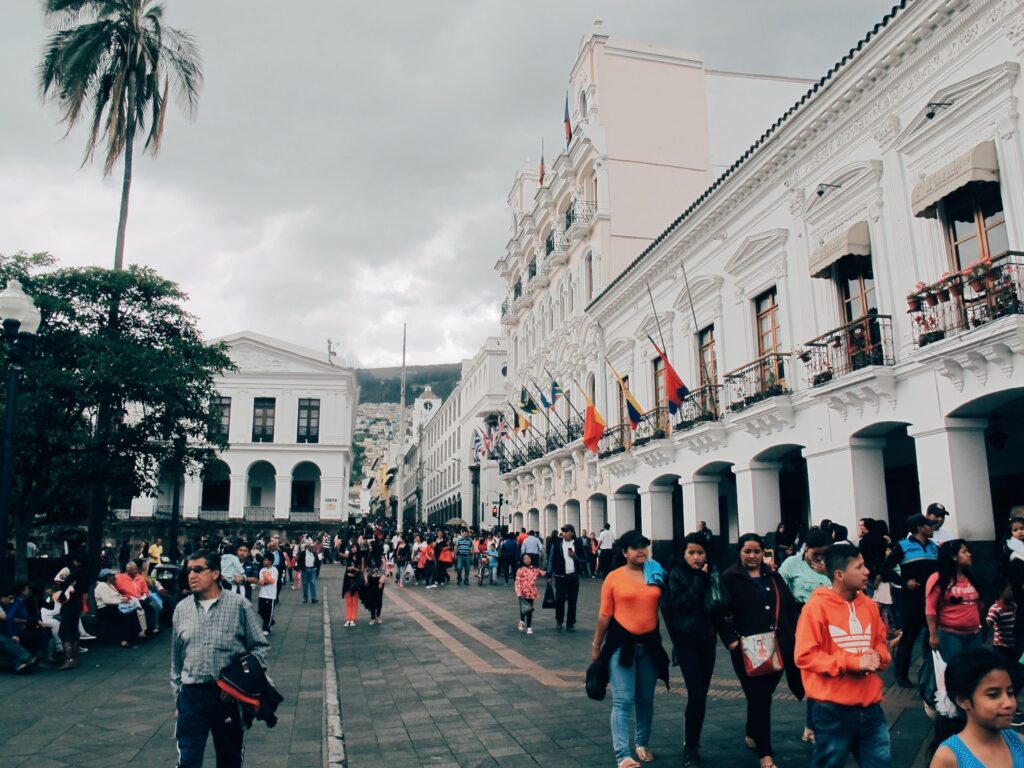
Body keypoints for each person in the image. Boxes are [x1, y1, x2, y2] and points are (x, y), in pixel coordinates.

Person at [795, 544, 892, 768]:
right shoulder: (816, 607)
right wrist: (853, 662)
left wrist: (879, 656)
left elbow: (879, 641)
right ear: (839, 575)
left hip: (871, 709)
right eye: (859, 567)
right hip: (832, 710)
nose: (867, 571)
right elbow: (805, 656)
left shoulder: (868, 604)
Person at [171, 549, 269, 768]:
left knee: (229, 759)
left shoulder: (239, 606)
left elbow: (260, 647)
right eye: (189, 570)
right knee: (187, 760)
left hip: (227, 696)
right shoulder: (181, 609)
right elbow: (176, 659)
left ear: (215, 573)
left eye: (198, 569)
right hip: (192, 695)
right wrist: (178, 697)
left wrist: (239, 683)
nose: (192, 576)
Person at [718, 533, 802, 768]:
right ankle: (766, 754)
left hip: (777, 645)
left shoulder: (772, 575)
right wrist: (731, 639)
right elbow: (718, 611)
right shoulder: (729, 577)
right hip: (747, 648)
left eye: (757, 551)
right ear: (740, 552)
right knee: (759, 697)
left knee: (762, 697)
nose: (753, 556)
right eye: (748, 551)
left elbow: (788, 605)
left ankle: (752, 730)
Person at [591, 530, 669, 768]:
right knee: (623, 700)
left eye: (644, 546)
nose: (641, 551)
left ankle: (642, 743)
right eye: (635, 547)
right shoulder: (614, 577)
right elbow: (605, 614)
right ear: (624, 552)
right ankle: (623, 755)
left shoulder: (655, 573)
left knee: (645, 699)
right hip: (620, 646)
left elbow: (673, 601)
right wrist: (596, 645)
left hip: (650, 646)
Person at [661, 533, 720, 767]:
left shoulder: (713, 572)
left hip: (707, 640)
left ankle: (693, 741)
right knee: (695, 694)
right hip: (686, 642)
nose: (696, 557)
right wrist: (698, 577)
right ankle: (691, 748)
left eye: (700, 552)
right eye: (691, 553)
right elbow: (682, 603)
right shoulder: (677, 574)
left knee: (701, 695)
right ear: (683, 554)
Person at [779, 527, 833, 744]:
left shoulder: (832, 564)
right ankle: (812, 725)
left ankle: (818, 724)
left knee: (827, 676)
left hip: (830, 625)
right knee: (812, 676)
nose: (819, 558)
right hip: (802, 623)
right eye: (815, 553)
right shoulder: (792, 563)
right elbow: (779, 588)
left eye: (824, 553)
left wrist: (828, 573)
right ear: (806, 548)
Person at [930, 649, 1024, 768]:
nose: (1008, 703)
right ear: (963, 701)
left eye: (1010, 693)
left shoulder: (1019, 743)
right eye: (993, 695)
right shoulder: (949, 757)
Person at [881, 513, 939, 688]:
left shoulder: (934, 547)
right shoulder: (903, 546)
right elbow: (885, 569)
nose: (933, 528)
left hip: (932, 599)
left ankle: (932, 675)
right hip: (912, 599)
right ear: (920, 528)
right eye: (929, 525)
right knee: (909, 637)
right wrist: (904, 583)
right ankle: (901, 675)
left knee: (932, 636)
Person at [925, 539, 983, 662]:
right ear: (954, 557)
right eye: (964, 552)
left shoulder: (972, 577)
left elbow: (979, 602)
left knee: (974, 672)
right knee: (956, 672)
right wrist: (933, 635)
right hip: (950, 635)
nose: (969, 554)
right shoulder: (938, 579)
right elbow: (930, 609)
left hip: (974, 634)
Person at [546, 524, 586, 632]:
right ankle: (559, 621)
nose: (564, 533)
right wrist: (549, 574)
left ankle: (570, 623)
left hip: (573, 577)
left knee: (572, 602)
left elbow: (584, 560)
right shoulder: (557, 543)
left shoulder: (577, 543)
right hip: (560, 577)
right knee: (560, 600)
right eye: (563, 531)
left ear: (572, 532)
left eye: (566, 531)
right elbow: (551, 559)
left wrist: (575, 556)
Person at [94, 568, 143, 647]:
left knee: (132, 612)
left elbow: (116, 597)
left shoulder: (109, 585)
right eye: (112, 576)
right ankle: (123, 640)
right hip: (104, 609)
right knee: (123, 617)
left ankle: (138, 633)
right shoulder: (102, 586)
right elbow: (107, 601)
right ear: (108, 577)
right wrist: (121, 601)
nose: (114, 577)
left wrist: (123, 599)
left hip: (113, 607)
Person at [57, 549, 88, 671]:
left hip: (70, 603)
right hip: (78, 602)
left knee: (63, 631)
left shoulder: (77, 572)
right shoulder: (86, 572)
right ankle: (74, 656)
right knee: (74, 629)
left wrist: (63, 577)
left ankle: (69, 659)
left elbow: (64, 584)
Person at [115, 560, 159, 634]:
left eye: (135, 569)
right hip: (129, 600)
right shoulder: (120, 578)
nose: (135, 571)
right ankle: (148, 629)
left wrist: (144, 596)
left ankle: (150, 628)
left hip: (140, 598)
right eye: (132, 570)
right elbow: (115, 590)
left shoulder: (140, 578)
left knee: (149, 606)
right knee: (143, 608)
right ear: (127, 571)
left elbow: (145, 591)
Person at [514, 553, 543, 635]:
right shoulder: (520, 570)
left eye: (529, 558)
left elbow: (542, 573)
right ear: (522, 560)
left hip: (531, 593)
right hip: (522, 594)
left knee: (529, 610)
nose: (527, 560)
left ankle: (529, 627)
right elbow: (517, 582)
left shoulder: (535, 569)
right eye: (525, 558)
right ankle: (522, 621)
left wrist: (549, 572)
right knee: (523, 609)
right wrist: (519, 593)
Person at [361, 542, 386, 625]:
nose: (370, 547)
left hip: (379, 580)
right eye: (369, 546)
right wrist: (365, 578)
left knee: (379, 599)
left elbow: (383, 571)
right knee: (371, 598)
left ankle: (378, 616)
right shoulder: (369, 556)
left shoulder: (381, 557)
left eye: (371, 546)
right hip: (371, 579)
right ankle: (372, 617)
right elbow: (366, 569)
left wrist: (381, 582)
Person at [342, 544, 363, 627]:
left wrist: (354, 569)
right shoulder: (349, 557)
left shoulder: (360, 558)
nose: (353, 549)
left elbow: (361, 570)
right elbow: (346, 568)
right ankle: (348, 618)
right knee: (348, 601)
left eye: (354, 547)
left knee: (354, 600)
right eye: (352, 547)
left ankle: (353, 618)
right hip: (347, 580)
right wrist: (348, 569)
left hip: (356, 580)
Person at [257, 552, 278, 635]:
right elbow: (261, 581)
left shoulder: (274, 570)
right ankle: (271, 621)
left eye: (265, 560)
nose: (263, 561)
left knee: (269, 612)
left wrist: (264, 581)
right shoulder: (262, 570)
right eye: (264, 560)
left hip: (270, 595)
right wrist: (264, 581)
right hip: (262, 594)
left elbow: (271, 581)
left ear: (271, 561)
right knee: (261, 611)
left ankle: (266, 628)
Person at [296, 537, 322, 603]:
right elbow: (299, 561)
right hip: (305, 569)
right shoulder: (303, 553)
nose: (313, 548)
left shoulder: (314, 553)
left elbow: (317, 561)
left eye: (313, 547)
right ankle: (305, 598)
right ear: (307, 547)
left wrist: (316, 568)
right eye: (311, 547)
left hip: (312, 569)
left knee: (313, 583)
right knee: (305, 584)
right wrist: (301, 568)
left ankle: (314, 598)